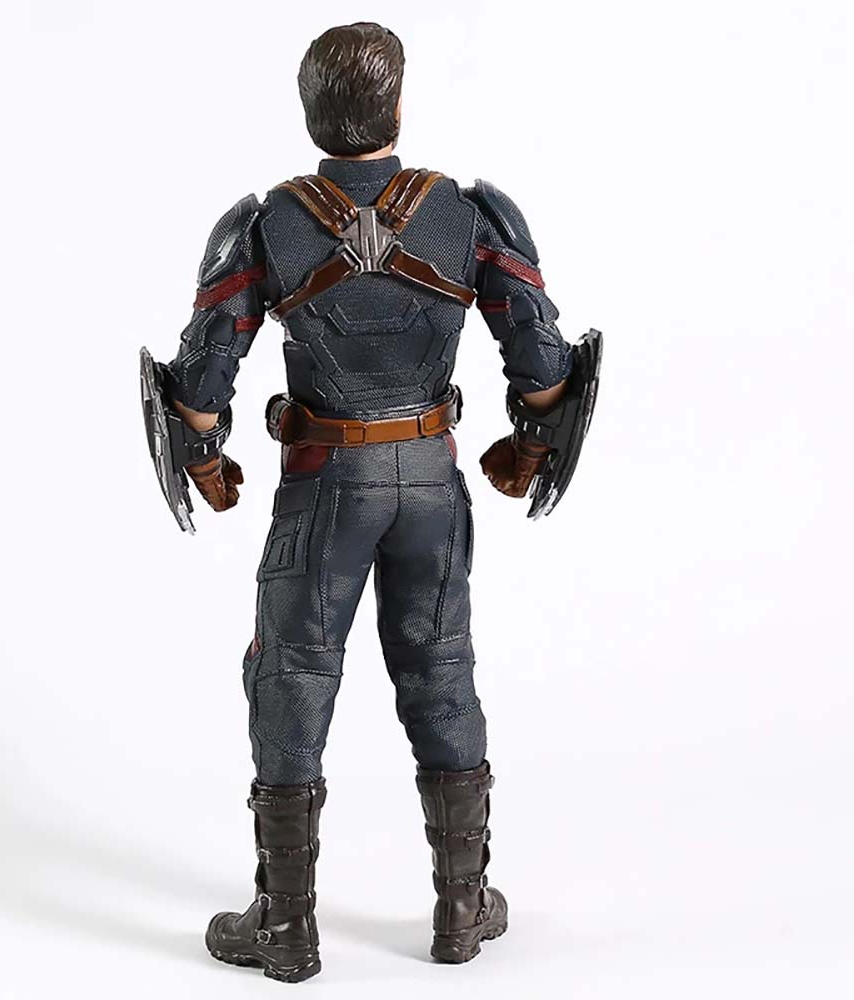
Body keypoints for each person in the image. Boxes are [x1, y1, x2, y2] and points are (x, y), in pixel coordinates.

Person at [157, 22, 581, 983]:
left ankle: (287, 927)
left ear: (311, 111)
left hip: (325, 486)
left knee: (291, 677)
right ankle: (461, 911)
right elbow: (545, 367)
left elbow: (201, 383)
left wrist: (207, 460)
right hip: (428, 479)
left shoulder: (266, 226)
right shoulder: (466, 217)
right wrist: (528, 444)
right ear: (396, 107)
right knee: (441, 671)